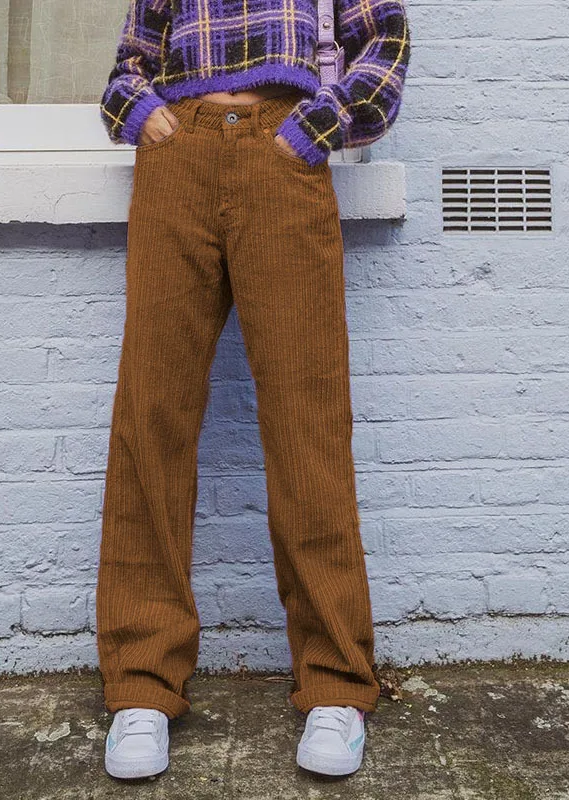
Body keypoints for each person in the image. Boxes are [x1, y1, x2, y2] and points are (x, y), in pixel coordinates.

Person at [96, 0, 410, 780]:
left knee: (308, 422)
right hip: (179, 160)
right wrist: (143, 112)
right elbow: (131, 61)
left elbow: (384, 42)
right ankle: (142, 682)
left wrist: (315, 128)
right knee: (152, 416)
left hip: (284, 158)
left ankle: (335, 684)